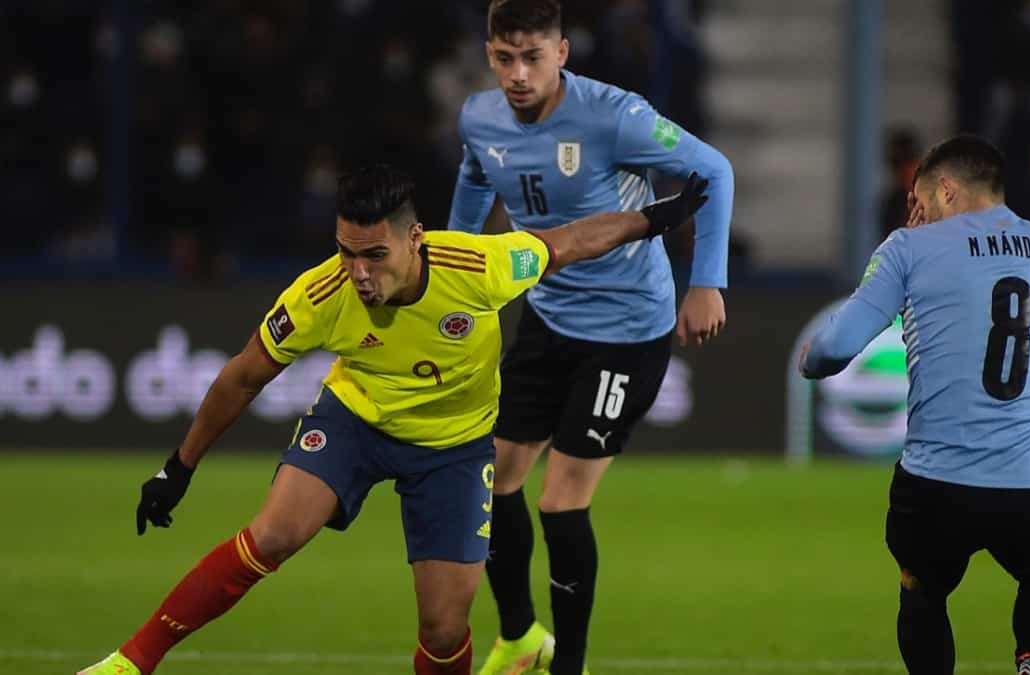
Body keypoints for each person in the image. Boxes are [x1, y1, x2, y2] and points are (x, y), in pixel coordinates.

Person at [77, 164, 710, 675]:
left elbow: (570, 242)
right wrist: (178, 468)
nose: (359, 273)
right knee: (273, 535)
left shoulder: (479, 268)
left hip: (455, 450)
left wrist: (656, 218)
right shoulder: (320, 295)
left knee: (444, 630)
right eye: (346, 253)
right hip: (355, 424)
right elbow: (242, 375)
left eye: (374, 255)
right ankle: (130, 662)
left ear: (414, 239)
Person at [448, 2, 734, 673]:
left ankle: (569, 665)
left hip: (627, 331)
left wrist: (705, 282)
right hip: (548, 318)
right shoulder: (479, 118)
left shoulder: (615, 116)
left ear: (562, 53)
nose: (519, 74)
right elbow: (474, 178)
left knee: (560, 502)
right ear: (490, 55)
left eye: (533, 57)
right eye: (505, 58)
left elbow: (713, 170)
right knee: (490, 482)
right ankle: (520, 637)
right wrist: (453, 268)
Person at [800, 135, 1030, 675]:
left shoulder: (908, 248)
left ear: (947, 190)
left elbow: (833, 349)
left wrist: (810, 358)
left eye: (922, 200)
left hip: (937, 483)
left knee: (922, 589)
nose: (919, 212)